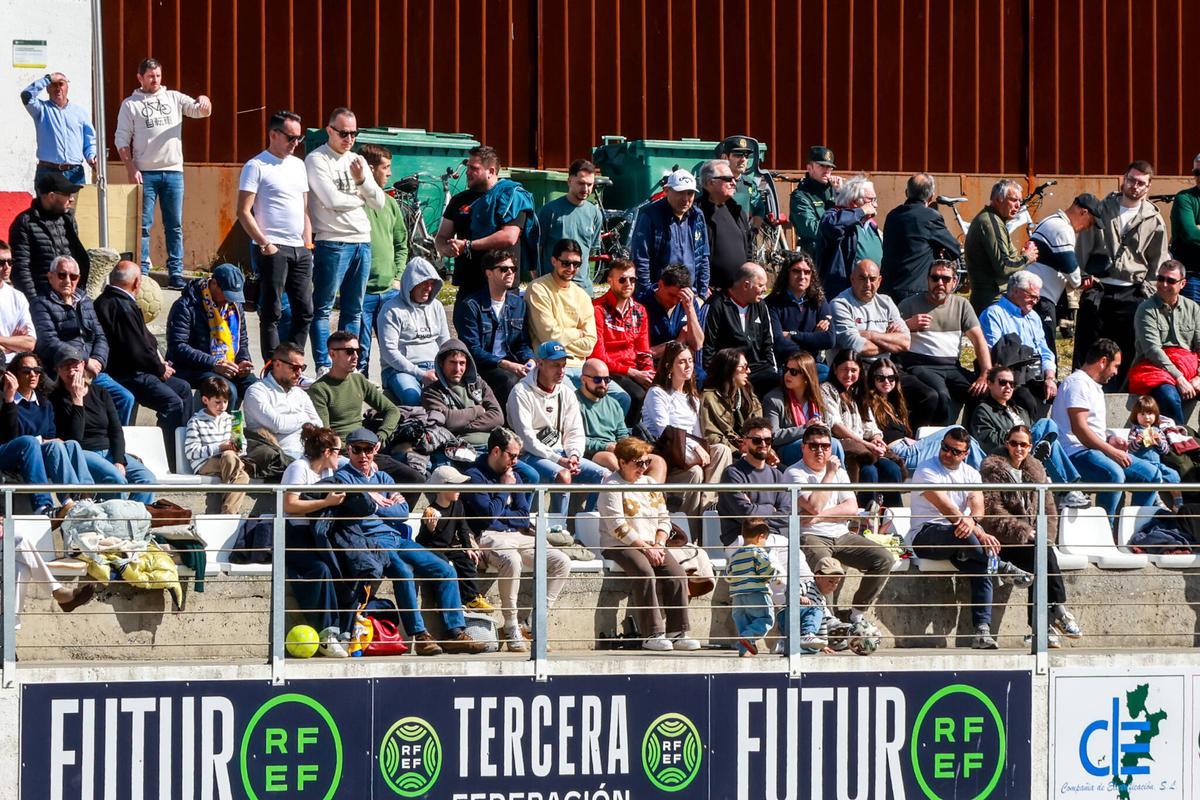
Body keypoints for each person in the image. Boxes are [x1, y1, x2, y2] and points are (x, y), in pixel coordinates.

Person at [333, 427, 486, 656]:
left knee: (445, 570)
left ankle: (454, 633)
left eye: (368, 450)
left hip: (395, 537)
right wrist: (378, 502)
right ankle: (420, 635)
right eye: (357, 450)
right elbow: (358, 509)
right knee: (404, 572)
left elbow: (402, 511)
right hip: (370, 542)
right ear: (349, 450)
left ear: (375, 449)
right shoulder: (343, 477)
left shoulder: (383, 477)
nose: (363, 455)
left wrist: (373, 505)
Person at [909, 426, 1032, 650]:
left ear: (965, 454)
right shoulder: (925, 470)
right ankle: (1002, 566)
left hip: (962, 538)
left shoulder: (971, 473)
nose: (948, 454)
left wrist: (974, 523)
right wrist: (976, 528)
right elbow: (946, 508)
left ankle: (982, 630)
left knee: (981, 561)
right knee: (971, 538)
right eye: (946, 448)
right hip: (926, 535)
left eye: (956, 451)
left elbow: (978, 507)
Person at [462, 427, 572, 651]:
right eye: (512, 455)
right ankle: (511, 627)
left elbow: (523, 517)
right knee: (512, 561)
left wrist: (501, 510)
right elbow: (486, 517)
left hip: (517, 535)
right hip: (489, 537)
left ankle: (532, 625)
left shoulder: (516, 475)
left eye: (518, 456)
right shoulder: (475, 475)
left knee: (562, 562)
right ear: (495, 451)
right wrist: (505, 489)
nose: (515, 460)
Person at [979, 423, 1083, 647]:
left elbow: (1049, 509)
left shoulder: (1035, 469)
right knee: (1042, 556)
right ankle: (1057, 611)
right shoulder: (992, 469)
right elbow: (993, 512)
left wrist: (1044, 536)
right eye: (1014, 443)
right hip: (1005, 541)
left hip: (1033, 542)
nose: (1018, 448)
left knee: (1042, 555)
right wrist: (1025, 532)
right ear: (1007, 444)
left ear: (1030, 446)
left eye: (1023, 444)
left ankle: (1043, 626)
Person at [114, 57, 212, 286]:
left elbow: (199, 111)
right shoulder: (131, 104)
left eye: (158, 75)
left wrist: (205, 101)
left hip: (173, 172)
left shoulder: (174, 98)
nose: (155, 80)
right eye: (150, 76)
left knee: (174, 225)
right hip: (145, 173)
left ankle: (175, 272)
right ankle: (143, 272)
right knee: (144, 225)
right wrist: (130, 168)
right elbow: (121, 138)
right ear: (140, 77)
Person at [787, 423, 897, 623]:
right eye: (813, 446)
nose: (820, 451)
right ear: (803, 447)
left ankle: (856, 614)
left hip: (841, 534)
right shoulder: (794, 473)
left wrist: (818, 516)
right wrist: (829, 475)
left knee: (884, 559)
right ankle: (827, 621)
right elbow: (814, 505)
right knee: (825, 567)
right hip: (811, 535)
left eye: (825, 446)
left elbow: (851, 508)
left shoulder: (840, 471)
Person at [1074, 160, 1169, 390]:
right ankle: (1082, 393)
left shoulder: (1153, 219)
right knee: (1089, 347)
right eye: (1132, 180)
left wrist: (1147, 289)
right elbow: (1083, 244)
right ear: (1123, 179)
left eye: (1141, 183)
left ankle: (1121, 397)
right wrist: (1083, 275)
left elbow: (1159, 259)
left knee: (1128, 349)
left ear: (1148, 188)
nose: (1135, 186)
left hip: (1132, 292)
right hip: (1099, 288)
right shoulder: (1103, 209)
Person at [598, 436, 698, 652]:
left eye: (646, 462)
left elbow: (664, 517)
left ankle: (678, 632)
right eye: (638, 463)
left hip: (653, 544)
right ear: (622, 462)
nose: (643, 468)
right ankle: (652, 633)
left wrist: (660, 543)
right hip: (619, 545)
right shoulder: (611, 485)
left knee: (677, 574)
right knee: (644, 572)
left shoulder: (650, 484)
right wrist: (646, 547)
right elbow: (617, 526)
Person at [305, 106, 385, 374]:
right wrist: (362, 196)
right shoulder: (317, 160)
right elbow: (331, 200)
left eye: (354, 133)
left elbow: (380, 201)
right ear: (329, 130)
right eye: (343, 133)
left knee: (354, 310)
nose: (349, 139)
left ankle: (349, 368)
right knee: (324, 308)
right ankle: (324, 366)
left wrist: (362, 181)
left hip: (362, 242)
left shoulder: (358, 161)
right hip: (333, 241)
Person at [95, 260, 195, 462]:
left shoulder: (109, 300)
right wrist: (159, 369)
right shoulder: (121, 305)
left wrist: (160, 364)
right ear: (136, 282)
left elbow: (145, 341)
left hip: (141, 369)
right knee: (172, 402)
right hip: (128, 374)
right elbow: (136, 349)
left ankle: (183, 453)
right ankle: (168, 458)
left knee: (183, 389)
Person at [1051, 338, 1162, 518]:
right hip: (1075, 453)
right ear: (1103, 362)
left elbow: (1092, 427)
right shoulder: (1078, 383)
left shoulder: (1094, 386)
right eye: (1115, 366)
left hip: (1094, 450)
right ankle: (1105, 532)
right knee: (1114, 475)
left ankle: (1136, 533)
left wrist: (1109, 439)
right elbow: (1080, 429)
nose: (1116, 372)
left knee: (1152, 475)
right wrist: (1111, 450)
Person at [237, 109, 314, 360]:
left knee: (305, 311)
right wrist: (265, 244)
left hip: (299, 248)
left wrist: (307, 244)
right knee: (272, 311)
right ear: (273, 134)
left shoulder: (298, 166)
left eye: (298, 138)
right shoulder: (256, 165)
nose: (295, 143)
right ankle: (272, 366)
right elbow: (243, 211)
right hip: (272, 246)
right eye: (291, 137)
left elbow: (304, 209)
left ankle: (293, 362)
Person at [505, 340, 609, 514]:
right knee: (563, 475)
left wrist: (574, 455)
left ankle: (589, 523)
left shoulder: (566, 392)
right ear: (540, 364)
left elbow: (575, 430)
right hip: (530, 454)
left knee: (604, 475)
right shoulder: (520, 392)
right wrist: (558, 460)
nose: (561, 371)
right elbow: (526, 438)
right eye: (555, 365)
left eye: (563, 365)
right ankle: (557, 527)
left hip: (561, 453)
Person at [30, 256, 134, 424]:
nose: (68, 280)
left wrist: (97, 360)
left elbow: (100, 335)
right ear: (51, 277)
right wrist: (84, 361)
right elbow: (48, 341)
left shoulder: (85, 301)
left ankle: (114, 442)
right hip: (65, 370)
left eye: (73, 276)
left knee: (125, 398)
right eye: (62, 275)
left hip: (92, 369)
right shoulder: (41, 303)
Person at [832, 259, 938, 424]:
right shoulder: (840, 304)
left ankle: (912, 439)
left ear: (880, 281)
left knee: (929, 396)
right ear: (852, 279)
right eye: (862, 278)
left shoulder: (886, 302)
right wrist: (889, 339)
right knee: (873, 404)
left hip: (886, 366)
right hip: (857, 369)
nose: (868, 283)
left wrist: (871, 335)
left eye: (872, 279)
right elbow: (858, 347)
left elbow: (905, 343)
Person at [48, 343, 156, 504]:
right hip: (83, 452)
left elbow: (116, 430)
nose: (71, 371)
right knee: (116, 480)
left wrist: (119, 460)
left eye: (74, 365)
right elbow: (74, 439)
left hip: (109, 450)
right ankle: (113, 523)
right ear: (57, 370)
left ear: (83, 365)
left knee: (147, 480)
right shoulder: (54, 399)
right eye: (65, 366)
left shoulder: (101, 393)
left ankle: (135, 523)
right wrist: (77, 401)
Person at [642, 341, 734, 522]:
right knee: (695, 473)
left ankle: (708, 509)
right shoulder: (657, 393)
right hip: (668, 454)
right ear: (669, 366)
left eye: (690, 361)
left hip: (690, 453)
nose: (688, 366)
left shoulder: (692, 398)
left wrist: (696, 447)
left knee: (722, 450)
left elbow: (698, 434)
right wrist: (693, 446)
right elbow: (664, 432)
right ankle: (692, 529)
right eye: (682, 362)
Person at [968, 365, 1087, 506]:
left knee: (1050, 442)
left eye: (1012, 384)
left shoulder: (1019, 410)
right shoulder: (983, 411)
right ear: (989, 383)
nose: (1008, 387)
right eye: (1002, 382)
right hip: (1008, 456)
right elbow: (988, 441)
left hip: (1026, 452)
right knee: (1046, 424)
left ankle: (1067, 489)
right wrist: (1016, 435)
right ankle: (1069, 489)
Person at [280, 424, 352, 657]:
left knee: (346, 566)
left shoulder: (327, 473)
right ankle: (326, 634)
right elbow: (289, 504)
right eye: (338, 451)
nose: (340, 457)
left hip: (317, 534)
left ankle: (345, 630)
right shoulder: (298, 468)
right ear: (327, 452)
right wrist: (325, 503)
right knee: (321, 570)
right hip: (294, 535)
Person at [897, 260, 993, 427]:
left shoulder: (962, 305)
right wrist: (908, 325)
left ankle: (969, 438)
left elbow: (978, 340)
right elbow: (889, 335)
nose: (939, 283)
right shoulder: (909, 304)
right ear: (927, 280)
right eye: (935, 278)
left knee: (983, 392)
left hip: (952, 366)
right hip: (921, 364)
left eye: (946, 279)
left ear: (955, 281)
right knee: (941, 395)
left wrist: (985, 374)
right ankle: (941, 442)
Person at [435, 144, 536, 293]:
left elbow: (509, 236)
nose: (468, 172)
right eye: (468, 167)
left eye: (474, 168)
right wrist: (447, 248)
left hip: (503, 288)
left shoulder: (511, 196)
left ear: (491, 171)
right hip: (468, 286)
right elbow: (441, 237)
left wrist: (469, 245)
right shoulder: (458, 200)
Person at [2, 352, 92, 514]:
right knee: (29, 442)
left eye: (36, 370)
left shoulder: (45, 404)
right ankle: (44, 507)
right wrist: (9, 402)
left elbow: (50, 436)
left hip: (34, 454)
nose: (33, 375)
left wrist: (45, 441)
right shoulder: (4, 399)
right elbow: (10, 438)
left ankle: (82, 498)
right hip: (8, 453)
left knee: (70, 444)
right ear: (14, 374)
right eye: (26, 371)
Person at [164, 263, 258, 409]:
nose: (230, 300)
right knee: (227, 391)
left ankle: (245, 429)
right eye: (227, 294)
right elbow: (178, 346)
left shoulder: (235, 307)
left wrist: (243, 360)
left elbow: (242, 340)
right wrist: (213, 363)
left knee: (256, 389)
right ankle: (221, 430)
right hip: (193, 367)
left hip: (227, 364)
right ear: (213, 284)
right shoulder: (186, 306)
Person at [820, 350, 904, 506]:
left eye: (854, 370)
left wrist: (877, 439)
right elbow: (836, 426)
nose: (849, 374)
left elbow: (870, 425)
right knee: (869, 472)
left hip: (866, 447)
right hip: (846, 448)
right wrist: (867, 444)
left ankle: (893, 517)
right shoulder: (827, 389)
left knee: (892, 469)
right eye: (845, 369)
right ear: (836, 368)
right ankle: (864, 518)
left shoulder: (858, 392)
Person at [453, 248, 535, 407]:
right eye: (504, 269)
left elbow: (522, 343)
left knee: (541, 375)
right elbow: (472, 349)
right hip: (484, 366)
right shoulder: (471, 305)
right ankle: (508, 426)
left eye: (513, 269)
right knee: (509, 380)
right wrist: (505, 364)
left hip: (513, 363)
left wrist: (530, 360)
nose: (510, 273)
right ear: (489, 273)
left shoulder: (518, 304)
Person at [979, 270, 1059, 420]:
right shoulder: (994, 314)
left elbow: (1045, 351)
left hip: (1037, 372)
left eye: (1038, 297)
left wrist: (1050, 378)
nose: (1035, 301)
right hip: (1013, 373)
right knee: (1026, 399)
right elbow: (994, 353)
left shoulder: (1034, 317)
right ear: (1015, 291)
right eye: (1031, 296)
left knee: (1066, 393)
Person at [357, 143, 408, 374]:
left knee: (395, 348)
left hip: (389, 290)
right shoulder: (354, 202)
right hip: (362, 292)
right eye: (385, 167)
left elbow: (401, 243)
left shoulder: (390, 203)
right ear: (370, 168)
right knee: (359, 350)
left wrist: (397, 277)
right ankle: (360, 393)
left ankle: (394, 389)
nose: (389, 173)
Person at [1128, 260, 1200, 424]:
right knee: (1169, 396)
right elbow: (1153, 350)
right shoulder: (1145, 309)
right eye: (1160, 278)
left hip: (1190, 367)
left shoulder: (1193, 308)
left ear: (1183, 284)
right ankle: (1180, 442)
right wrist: (1180, 378)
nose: (1163, 284)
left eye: (1170, 280)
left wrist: (1199, 377)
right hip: (1155, 368)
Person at [1027, 193, 1103, 344]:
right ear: (1084, 212)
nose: (1087, 228)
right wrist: (1083, 280)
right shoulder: (1062, 228)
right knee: (1046, 348)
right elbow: (1071, 270)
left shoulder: (1051, 220)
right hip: (1041, 297)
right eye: (1090, 222)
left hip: (1036, 294)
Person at [417, 465, 493, 612]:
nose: (460, 489)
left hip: (449, 548)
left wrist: (467, 547)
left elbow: (462, 527)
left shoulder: (457, 504)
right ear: (443, 487)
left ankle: (472, 597)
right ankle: (441, 601)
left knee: (467, 559)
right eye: (456, 485)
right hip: (433, 549)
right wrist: (430, 529)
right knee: (443, 566)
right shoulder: (430, 511)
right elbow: (421, 540)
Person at [880, 172, 963, 302]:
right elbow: (954, 249)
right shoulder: (930, 216)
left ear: (907, 192)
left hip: (887, 290)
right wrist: (938, 253)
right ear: (931, 197)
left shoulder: (892, 215)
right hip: (914, 292)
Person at [377, 257, 449, 405]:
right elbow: (388, 352)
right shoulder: (390, 310)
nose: (428, 289)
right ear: (410, 284)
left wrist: (446, 367)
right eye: (423, 283)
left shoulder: (437, 306)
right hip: (399, 370)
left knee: (455, 396)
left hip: (435, 366)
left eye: (431, 284)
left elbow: (445, 343)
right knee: (413, 397)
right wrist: (421, 374)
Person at [308, 331, 402, 445]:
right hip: (341, 452)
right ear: (332, 354)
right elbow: (325, 435)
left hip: (365, 445)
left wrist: (381, 436)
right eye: (349, 352)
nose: (356, 356)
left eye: (358, 351)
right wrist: (355, 451)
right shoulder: (319, 389)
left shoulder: (359, 380)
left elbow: (392, 410)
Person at [9, 172, 91, 300]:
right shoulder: (25, 223)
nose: (72, 199)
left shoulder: (68, 220)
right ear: (52, 196)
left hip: (70, 296)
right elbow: (21, 269)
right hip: (43, 298)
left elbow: (76, 258)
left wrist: (77, 294)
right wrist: (34, 301)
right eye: (67, 195)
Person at [631, 169, 710, 299]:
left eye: (690, 193)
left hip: (691, 295)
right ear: (666, 191)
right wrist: (648, 294)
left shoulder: (697, 216)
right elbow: (641, 259)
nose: (685, 199)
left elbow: (703, 257)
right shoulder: (651, 216)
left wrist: (702, 294)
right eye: (680, 192)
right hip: (661, 295)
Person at [701, 262, 778, 396]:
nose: (765, 289)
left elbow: (768, 344)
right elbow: (706, 347)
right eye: (760, 285)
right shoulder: (716, 305)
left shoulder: (761, 306)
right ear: (746, 285)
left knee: (781, 383)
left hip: (758, 370)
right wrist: (714, 377)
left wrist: (772, 369)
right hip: (729, 371)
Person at [963, 178, 1039, 314]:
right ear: (998, 199)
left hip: (990, 298)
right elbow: (1004, 266)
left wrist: (1020, 256)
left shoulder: (995, 220)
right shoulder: (991, 222)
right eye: (1014, 200)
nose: (1018, 206)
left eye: (1020, 202)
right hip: (991, 301)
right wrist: (1026, 258)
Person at [591, 258, 655, 418]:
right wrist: (632, 372)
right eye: (622, 279)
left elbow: (644, 350)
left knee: (662, 391)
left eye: (632, 279)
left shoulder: (640, 310)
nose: (628, 284)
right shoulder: (597, 309)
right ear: (610, 280)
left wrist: (648, 373)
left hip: (633, 371)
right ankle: (628, 438)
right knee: (637, 395)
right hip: (610, 371)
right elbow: (598, 356)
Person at [420, 338, 504, 457]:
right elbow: (448, 422)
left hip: (493, 447)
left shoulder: (479, 384)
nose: (457, 369)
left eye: (462, 363)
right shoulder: (431, 392)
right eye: (452, 362)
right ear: (441, 363)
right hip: (462, 450)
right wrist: (478, 410)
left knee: (530, 475)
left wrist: (462, 425)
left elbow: (498, 417)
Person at [717, 417, 791, 547]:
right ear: (745, 441)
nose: (763, 444)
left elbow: (787, 516)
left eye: (768, 440)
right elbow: (745, 514)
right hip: (741, 539)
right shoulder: (732, 474)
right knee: (773, 565)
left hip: (775, 537)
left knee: (800, 564)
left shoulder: (778, 475)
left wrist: (755, 510)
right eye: (757, 440)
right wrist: (771, 509)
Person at [243, 342, 322, 461]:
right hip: (279, 456)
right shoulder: (257, 391)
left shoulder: (300, 393)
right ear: (278, 364)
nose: (300, 373)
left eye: (302, 368)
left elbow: (318, 425)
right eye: (295, 368)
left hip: (308, 453)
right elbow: (277, 424)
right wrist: (304, 418)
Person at [183, 376, 251, 515]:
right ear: (205, 400)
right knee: (230, 459)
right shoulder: (195, 421)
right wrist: (220, 447)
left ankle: (227, 515)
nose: (222, 406)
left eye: (225, 402)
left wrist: (238, 447)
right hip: (205, 463)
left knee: (243, 477)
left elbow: (243, 443)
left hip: (229, 460)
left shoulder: (231, 419)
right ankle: (229, 515)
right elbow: (191, 452)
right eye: (218, 402)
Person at [765, 251, 835, 380]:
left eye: (807, 272)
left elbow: (829, 340)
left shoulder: (819, 301)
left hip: (814, 365)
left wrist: (792, 335)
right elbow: (779, 343)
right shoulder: (772, 303)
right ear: (787, 273)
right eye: (796, 271)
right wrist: (814, 337)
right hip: (785, 366)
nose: (802, 276)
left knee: (829, 374)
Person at [536, 159, 603, 293]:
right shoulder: (550, 211)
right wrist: (538, 281)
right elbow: (536, 249)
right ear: (569, 181)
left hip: (582, 289)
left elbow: (590, 251)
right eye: (581, 183)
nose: (585, 189)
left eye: (590, 184)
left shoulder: (595, 213)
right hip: (554, 287)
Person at [21, 71, 96, 187]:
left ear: (67, 87)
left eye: (61, 84)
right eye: (53, 85)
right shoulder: (41, 109)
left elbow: (89, 140)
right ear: (47, 89)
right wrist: (48, 79)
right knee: (46, 206)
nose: (57, 88)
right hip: (48, 171)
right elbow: (26, 95)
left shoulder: (79, 112)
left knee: (74, 205)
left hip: (74, 173)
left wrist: (91, 157)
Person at [815, 174, 882, 299]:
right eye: (871, 200)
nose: (875, 205)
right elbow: (833, 226)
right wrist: (861, 212)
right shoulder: (834, 217)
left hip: (868, 295)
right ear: (854, 202)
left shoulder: (871, 225)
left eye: (876, 200)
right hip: (841, 295)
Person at [763, 351, 829, 466]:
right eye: (786, 370)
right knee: (815, 447)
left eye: (793, 372)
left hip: (816, 444)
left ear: (806, 376)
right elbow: (773, 436)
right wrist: (805, 428)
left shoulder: (819, 398)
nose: (787, 374)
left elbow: (827, 427)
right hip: (787, 448)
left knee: (834, 444)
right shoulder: (773, 399)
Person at [727, 517, 781, 656]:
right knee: (766, 619)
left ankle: (744, 651)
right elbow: (765, 572)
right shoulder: (758, 552)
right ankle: (748, 637)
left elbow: (728, 575)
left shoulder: (736, 554)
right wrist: (776, 575)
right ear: (761, 537)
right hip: (757, 594)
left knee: (743, 624)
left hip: (737, 597)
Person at [697, 159, 753, 292]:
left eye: (734, 179)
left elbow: (749, 248)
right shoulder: (697, 213)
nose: (734, 183)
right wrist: (702, 286)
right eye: (728, 179)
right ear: (710, 182)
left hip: (738, 292)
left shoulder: (737, 211)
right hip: (709, 292)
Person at [642, 263, 705, 371]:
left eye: (679, 297)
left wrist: (690, 310)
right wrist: (678, 343)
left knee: (705, 381)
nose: (675, 301)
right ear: (661, 284)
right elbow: (644, 353)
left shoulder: (688, 301)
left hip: (683, 365)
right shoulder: (642, 305)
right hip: (655, 367)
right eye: (672, 295)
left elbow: (698, 344)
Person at [701, 348, 763, 452]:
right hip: (730, 453)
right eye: (744, 367)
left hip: (752, 450)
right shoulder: (709, 398)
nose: (749, 371)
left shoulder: (749, 395)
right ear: (729, 369)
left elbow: (760, 426)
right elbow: (711, 436)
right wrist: (739, 450)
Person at [576, 358, 629, 474]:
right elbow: (574, 438)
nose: (603, 384)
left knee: (657, 462)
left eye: (607, 379)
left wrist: (626, 448)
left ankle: (650, 492)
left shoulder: (613, 404)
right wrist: (606, 447)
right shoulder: (573, 402)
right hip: (589, 454)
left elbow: (622, 434)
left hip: (614, 450)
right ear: (583, 379)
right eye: (597, 379)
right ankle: (633, 489)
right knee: (609, 459)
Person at [789, 145, 842, 256]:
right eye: (822, 166)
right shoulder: (800, 196)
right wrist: (840, 227)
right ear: (809, 168)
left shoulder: (837, 190)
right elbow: (811, 229)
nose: (827, 170)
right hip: (815, 254)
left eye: (830, 167)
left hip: (839, 251)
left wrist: (841, 195)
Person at [0, 240, 36, 365]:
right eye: (1, 262)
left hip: (15, 365)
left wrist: (2, 342)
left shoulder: (18, 297)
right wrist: (12, 342)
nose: (7, 267)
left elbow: (29, 343)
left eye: (10, 262)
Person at [1170, 153, 1200, 302]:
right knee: (1190, 323)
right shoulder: (1185, 198)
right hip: (1192, 277)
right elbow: (1191, 234)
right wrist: (1195, 229)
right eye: (1197, 172)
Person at [716, 135, 766, 221]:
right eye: (738, 155)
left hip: (742, 233)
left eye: (746, 156)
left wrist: (755, 229)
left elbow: (759, 209)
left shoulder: (749, 184)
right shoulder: (715, 183)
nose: (743, 159)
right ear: (725, 157)